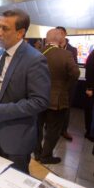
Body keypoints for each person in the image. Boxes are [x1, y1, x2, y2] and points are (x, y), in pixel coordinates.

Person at [0, 9, 50, 174]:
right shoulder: (0, 54)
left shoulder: (35, 59)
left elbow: (40, 101)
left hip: (16, 139)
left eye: (5, 28)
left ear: (20, 33)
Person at [34, 29, 80, 164]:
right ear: (61, 40)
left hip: (37, 98)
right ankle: (46, 156)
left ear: (46, 39)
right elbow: (75, 73)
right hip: (57, 100)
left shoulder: (37, 53)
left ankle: (37, 153)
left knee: (37, 127)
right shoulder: (66, 54)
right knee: (53, 130)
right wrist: (65, 87)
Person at [56, 26, 78, 141]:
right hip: (54, 83)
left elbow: (74, 69)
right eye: (56, 33)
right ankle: (51, 127)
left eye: (60, 33)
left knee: (66, 107)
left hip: (68, 84)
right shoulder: (51, 48)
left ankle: (64, 130)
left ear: (64, 34)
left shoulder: (72, 49)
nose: (57, 35)